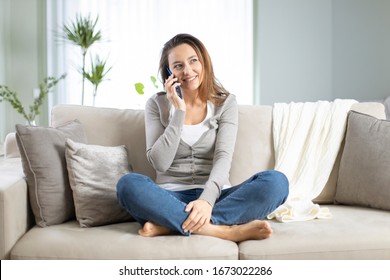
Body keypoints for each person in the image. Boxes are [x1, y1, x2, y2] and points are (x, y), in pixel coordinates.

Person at [117, 33, 289, 242]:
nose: (188, 71)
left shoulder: (225, 103)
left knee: (277, 182)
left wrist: (206, 201)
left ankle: (171, 225)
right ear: (169, 73)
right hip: (170, 196)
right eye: (178, 66)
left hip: (217, 197)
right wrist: (178, 112)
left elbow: (223, 158)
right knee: (128, 185)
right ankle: (223, 230)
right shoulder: (157, 104)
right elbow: (160, 163)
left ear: (203, 62)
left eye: (193, 61)